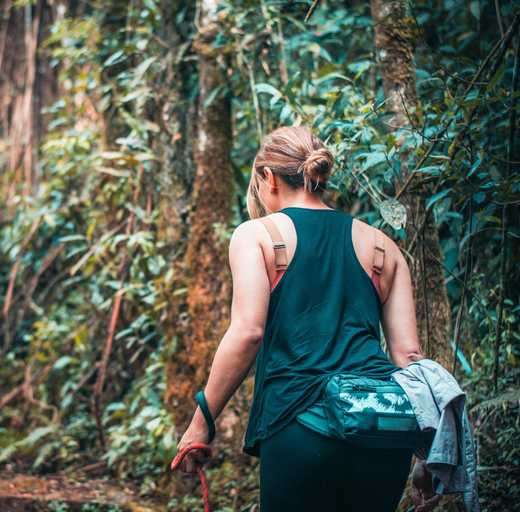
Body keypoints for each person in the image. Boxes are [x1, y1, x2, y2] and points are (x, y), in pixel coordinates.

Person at [175, 126, 442, 512]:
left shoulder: (257, 236)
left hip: (301, 426)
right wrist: (427, 452)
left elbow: (248, 332)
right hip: (384, 429)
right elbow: (410, 358)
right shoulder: (384, 246)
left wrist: (202, 422)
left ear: (268, 178)